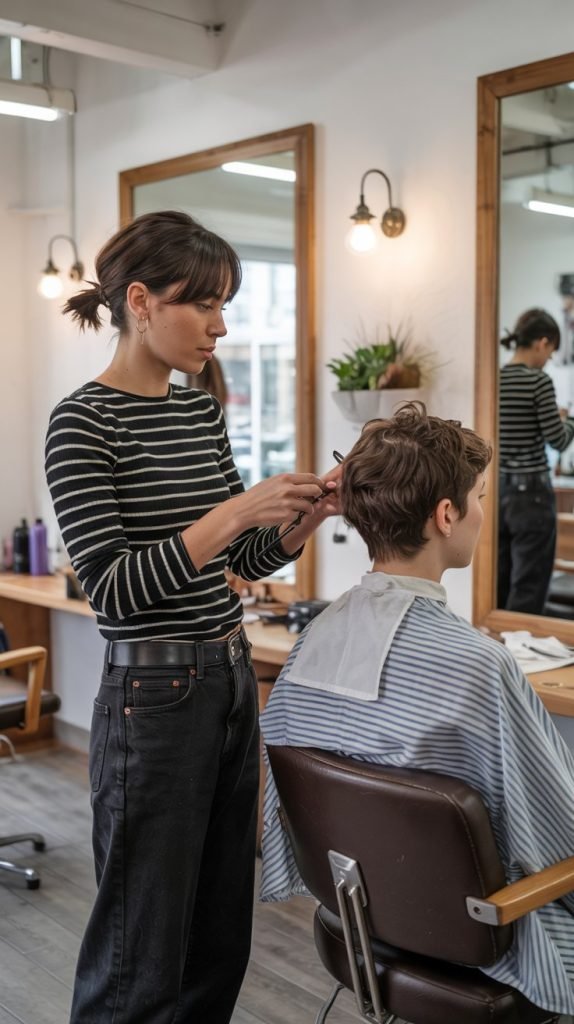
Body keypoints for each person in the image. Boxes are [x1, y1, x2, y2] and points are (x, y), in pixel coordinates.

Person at [44, 210, 339, 1024]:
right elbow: (111, 590)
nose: (219, 324)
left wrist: (303, 516)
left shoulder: (200, 412)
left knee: (218, 939)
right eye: (201, 303)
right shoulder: (82, 423)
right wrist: (236, 511)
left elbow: (239, 566)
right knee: (138, 953)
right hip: (153, 699)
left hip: (231, 679)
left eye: (226, 303)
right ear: (140, 301)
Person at [260, 404, 574, 1018]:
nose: (485, 513)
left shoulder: (313, 641)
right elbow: (559, 834)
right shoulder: (479, 666)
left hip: (361, 920)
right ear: (446, 514)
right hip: (489, 941)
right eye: (480, 496)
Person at [498, 308, 574, 613]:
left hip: (499, 490)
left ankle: (501, 640)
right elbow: (558, 439)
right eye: (551, 352)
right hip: (531, 495)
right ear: (542, 342)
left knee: (500, 577)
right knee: (530, 580)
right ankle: (525, 651)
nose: (548, 360)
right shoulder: (538, 381)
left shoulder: (497, 378)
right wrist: (569, 421)